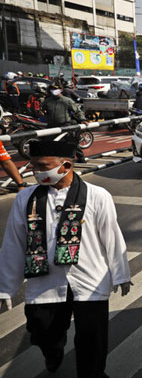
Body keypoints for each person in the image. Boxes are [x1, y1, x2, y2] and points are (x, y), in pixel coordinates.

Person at [0, 141, 132, 377]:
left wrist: (121, 274)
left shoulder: (97, 195)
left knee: (93, 339)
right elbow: (13, 244)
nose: (35, 171)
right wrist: (5, 288)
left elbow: (111, 237)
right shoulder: (25, 199)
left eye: (43, 166)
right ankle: (53, 352)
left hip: (89, 280)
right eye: (33, 166)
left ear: (66, 165)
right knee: (41, 330)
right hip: (46, 281)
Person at [43, 85, 87, 163]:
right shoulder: (47, 101)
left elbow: (77, 111)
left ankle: (81, 158)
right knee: (47, 142)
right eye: (52, 89)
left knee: (71, 142)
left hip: (65, 125)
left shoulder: (67, 101)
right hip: (52, 125)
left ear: (60, 90)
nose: (54, 91)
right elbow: (43, 110)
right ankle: (48, 161)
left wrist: (83, 120)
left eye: (56, 89)